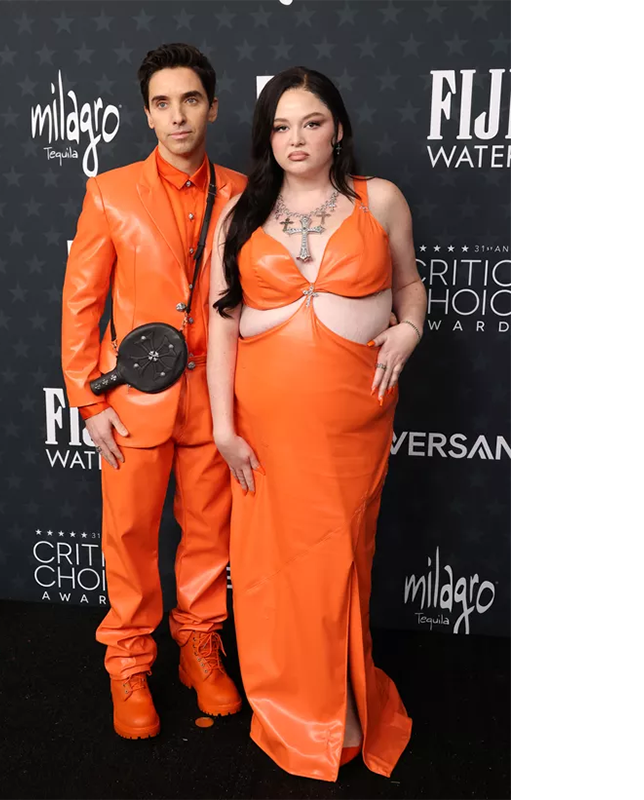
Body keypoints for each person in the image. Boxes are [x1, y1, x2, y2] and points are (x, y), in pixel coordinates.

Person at [207, 67, 426, 781]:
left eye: (311, 122)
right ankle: (301, 708)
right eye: (280, 126)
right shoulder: (239, 214)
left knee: (341, 557)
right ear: (265, 137)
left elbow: (409, 285)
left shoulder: (379, 199)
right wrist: (223, 429)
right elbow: (221, 329)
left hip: (353, 418)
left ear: (338, 129)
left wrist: (410, 329)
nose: (295, 138)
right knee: (278, 567)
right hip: (265, 423)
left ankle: (345, 699)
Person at [61, 43, 247, 740]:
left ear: (213, 108)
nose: (178, 116)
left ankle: (199, 644)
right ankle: (130, 663)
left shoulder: (244, 191)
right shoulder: (108, 192)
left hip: (217, 398)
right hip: (132, 402)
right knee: (131, 537)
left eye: (190, 100)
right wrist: (88, 399)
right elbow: (81, 303)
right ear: (146, 114)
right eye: (163, 103)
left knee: (209, 534)